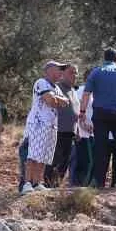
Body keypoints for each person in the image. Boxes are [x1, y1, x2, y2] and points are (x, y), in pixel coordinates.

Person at [83, 49, 116, 189]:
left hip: (100, 114)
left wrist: (82, 112)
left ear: (104, 58)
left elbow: (86, 94)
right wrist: (115, 95)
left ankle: (99, 182)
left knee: (101, 148)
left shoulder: (96, 72)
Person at [23, 62, 72, 194]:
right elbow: (49, 100)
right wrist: (57, 100)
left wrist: (57, 99)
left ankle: (37, 182)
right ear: (49, 70)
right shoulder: (41, 82)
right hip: (38, 124)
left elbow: (66, 102)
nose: (61, 72)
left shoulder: (55, 87)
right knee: (34, 154)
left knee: (45, 155)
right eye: (59, 69)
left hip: (51, 125)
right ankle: (27, 183)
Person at [48, 63, 78, 188]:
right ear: (63, 74)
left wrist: (77, 131)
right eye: (72, 72)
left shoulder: (73, 90)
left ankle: (56, 187)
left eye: (76, 73)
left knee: (64, 163)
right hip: (57, 132)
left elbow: (74, 112)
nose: (75, 75)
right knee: (54, 162)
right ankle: (47, 186)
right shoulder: (56, 88)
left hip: (70, 134)